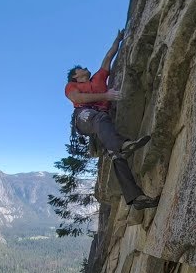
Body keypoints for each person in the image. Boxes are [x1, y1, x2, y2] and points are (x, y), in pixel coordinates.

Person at [64, 29, 159, 210]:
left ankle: (136, 198)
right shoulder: (72, 85)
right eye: (80, 69)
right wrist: (106, 95)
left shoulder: (99, 77)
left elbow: (109, 56)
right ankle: (123, 144)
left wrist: (118, 39)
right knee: (97, 117)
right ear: (76, 76)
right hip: (83, 116)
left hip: (102, 123)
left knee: (117, 156)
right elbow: (78, 99)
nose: (84, 68)